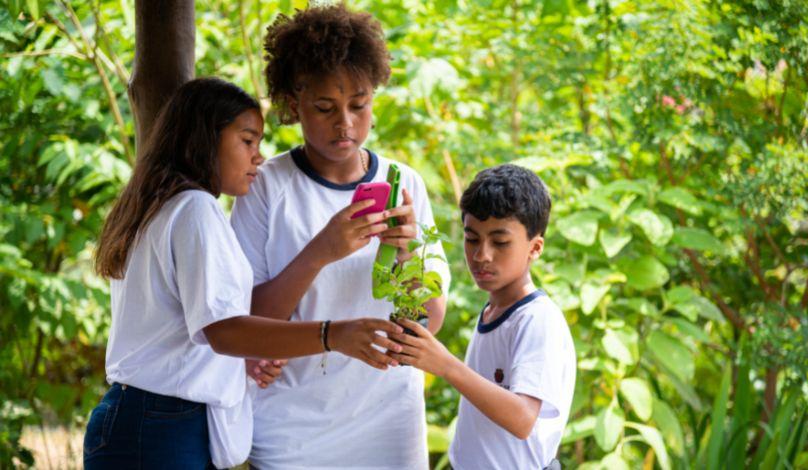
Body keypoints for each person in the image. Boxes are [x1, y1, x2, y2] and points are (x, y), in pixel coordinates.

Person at [84, 77, 404, 469]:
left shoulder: (161, 206)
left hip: (150, 419)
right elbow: (224, 331)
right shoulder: (194, 209)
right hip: (159, 427)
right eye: (247, 140)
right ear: (205, 139)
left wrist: (238, 363)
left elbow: (182, 335)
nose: (258, 156)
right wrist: (332, 335)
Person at [230, 4, 450, 469]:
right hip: (291, 431)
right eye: (325, 108)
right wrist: (319, 253)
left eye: (359, 105)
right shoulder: (266, 187)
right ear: (294, 104)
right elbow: (244, 324)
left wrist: (405, 252)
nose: (345, 123)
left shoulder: (404, 184)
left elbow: (428, 322)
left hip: (390, 423)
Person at [390, 164, 576, 470]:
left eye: (500, 242)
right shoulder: (494, 311)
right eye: (472, 239)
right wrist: (403, 251)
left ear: (535, 248)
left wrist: (446, 365)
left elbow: (522, 419)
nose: (481, 255)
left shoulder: (538, 320)